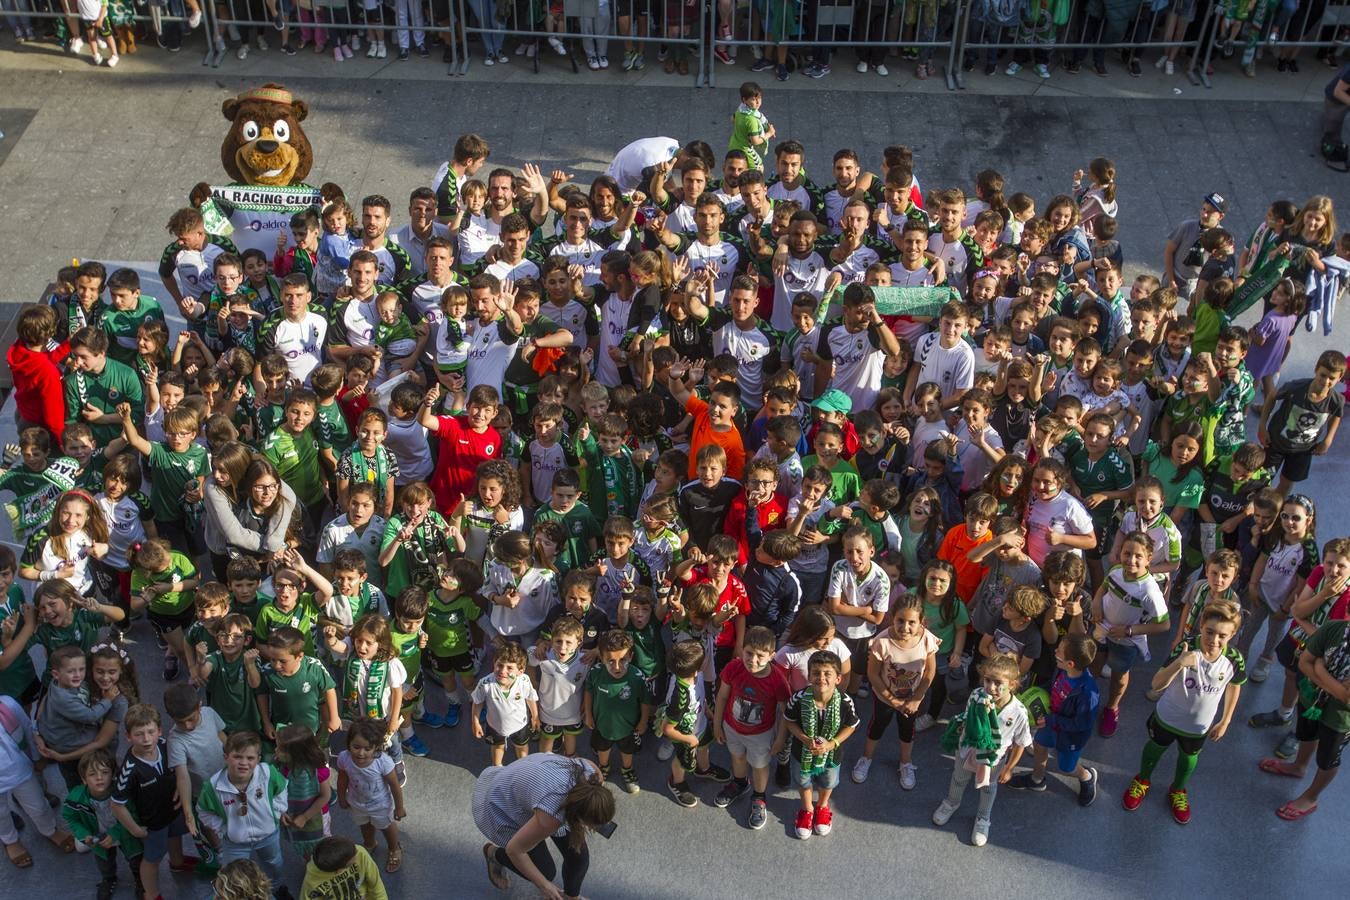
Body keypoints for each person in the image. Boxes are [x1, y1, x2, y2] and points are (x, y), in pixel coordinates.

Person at [1122, 600, 1245, 824]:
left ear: (1232, 634)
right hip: (1167, 718)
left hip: (1198, 727)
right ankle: (1143, 780)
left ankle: (1178, 790)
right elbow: (1157, 684)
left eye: (1222, 636)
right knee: (1154, 749)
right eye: (1209, 632)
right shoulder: (1186, 648)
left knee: (1189, 760)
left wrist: (1225, 720)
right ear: (1201, 625)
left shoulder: (1234, 659)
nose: (1214, 641)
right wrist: (1179, 663)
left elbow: (1235, 686)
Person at [474, 752, 616, 900]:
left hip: (532, 785)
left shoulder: (593, 773)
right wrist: (544, 885)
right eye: (591, 825)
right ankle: (493, 854)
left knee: (579, 857)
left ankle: (570, 898)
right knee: (545, 872)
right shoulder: (551, 816)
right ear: (577, 815)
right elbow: (515, 850)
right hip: (504, 807)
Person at [931, 653, 1032, 847]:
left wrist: (1009, 767)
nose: (991, 687)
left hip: (993, 759)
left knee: (988, 787)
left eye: (998, 682)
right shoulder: (977, 695)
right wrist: (961, 727)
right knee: (958, 778)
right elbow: (969, 718)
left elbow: (1020, 742)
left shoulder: (1019, 712)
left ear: (1012, 684)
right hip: (967, 750)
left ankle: (983, 819)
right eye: (987, 680)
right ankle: (951, 802)